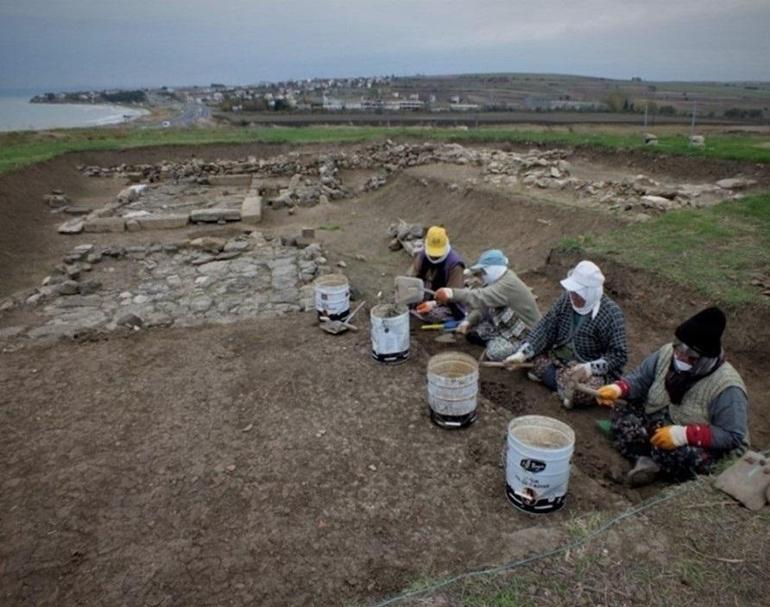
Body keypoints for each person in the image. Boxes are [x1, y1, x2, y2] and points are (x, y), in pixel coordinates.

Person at [595, 307, 749, 486]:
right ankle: (646, 460)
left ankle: (658, 463)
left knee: (680, 454)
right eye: (678, 348)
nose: (679, 356)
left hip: (697, 440)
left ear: (705, 359)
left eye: (689, 356)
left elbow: (732, 435)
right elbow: (640, 379)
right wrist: (618, 388)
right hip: (660, 419)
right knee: (622, 415)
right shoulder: (667, 353)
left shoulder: (727, 387)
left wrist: (683, 435)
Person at [504, 260, 628, 407]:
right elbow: (546, 326)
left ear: (590, 292)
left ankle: (555, 380)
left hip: (587, 369)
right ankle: (561, 383)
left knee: (583, 391)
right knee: (529, 355)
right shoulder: (566, 300)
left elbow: (619, 355)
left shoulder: (611, 314)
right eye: (573, 292)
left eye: (578, 293)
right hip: (559, 358)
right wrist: (523, 354)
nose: (573, 296)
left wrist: (588, 368)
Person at [433, 249, 542, 360]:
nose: (481, 276)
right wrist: (468, 321)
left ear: (492, 270)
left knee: (494, 353)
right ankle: (496, 338)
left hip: (526, 334)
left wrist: (451, 293)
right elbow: (485, 306)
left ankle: (508, 346)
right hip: (508, 326)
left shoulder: (507, 285)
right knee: (474, 331)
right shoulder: (501, 280)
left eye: (483, 272)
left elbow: (479, 297)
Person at [410, 226, 466, 322]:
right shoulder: (422, 256)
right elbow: (412, 277)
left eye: (437, 254)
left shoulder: (455, 265)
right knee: (401, 300)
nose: (435, 256)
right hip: (428, 290)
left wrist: (433, 303)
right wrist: (415, 295)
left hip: (447, 300)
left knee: (430, 315)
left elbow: (454, 294)